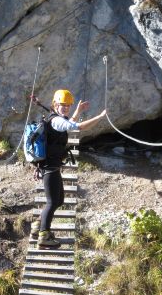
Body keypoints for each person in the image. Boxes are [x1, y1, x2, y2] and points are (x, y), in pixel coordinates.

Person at [31, 88, 106, 249]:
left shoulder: (57, 118)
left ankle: (38, 225)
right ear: (55, 104)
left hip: (52, 166)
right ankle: (44, 236)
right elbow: (76, 127)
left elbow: (68, 122)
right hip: (49, 167)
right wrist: (99, 117)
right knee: (52, 202)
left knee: (59, 200)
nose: (65, 107)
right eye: (62, 105)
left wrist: (78, 110)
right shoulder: (56, 121)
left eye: (68, 105)